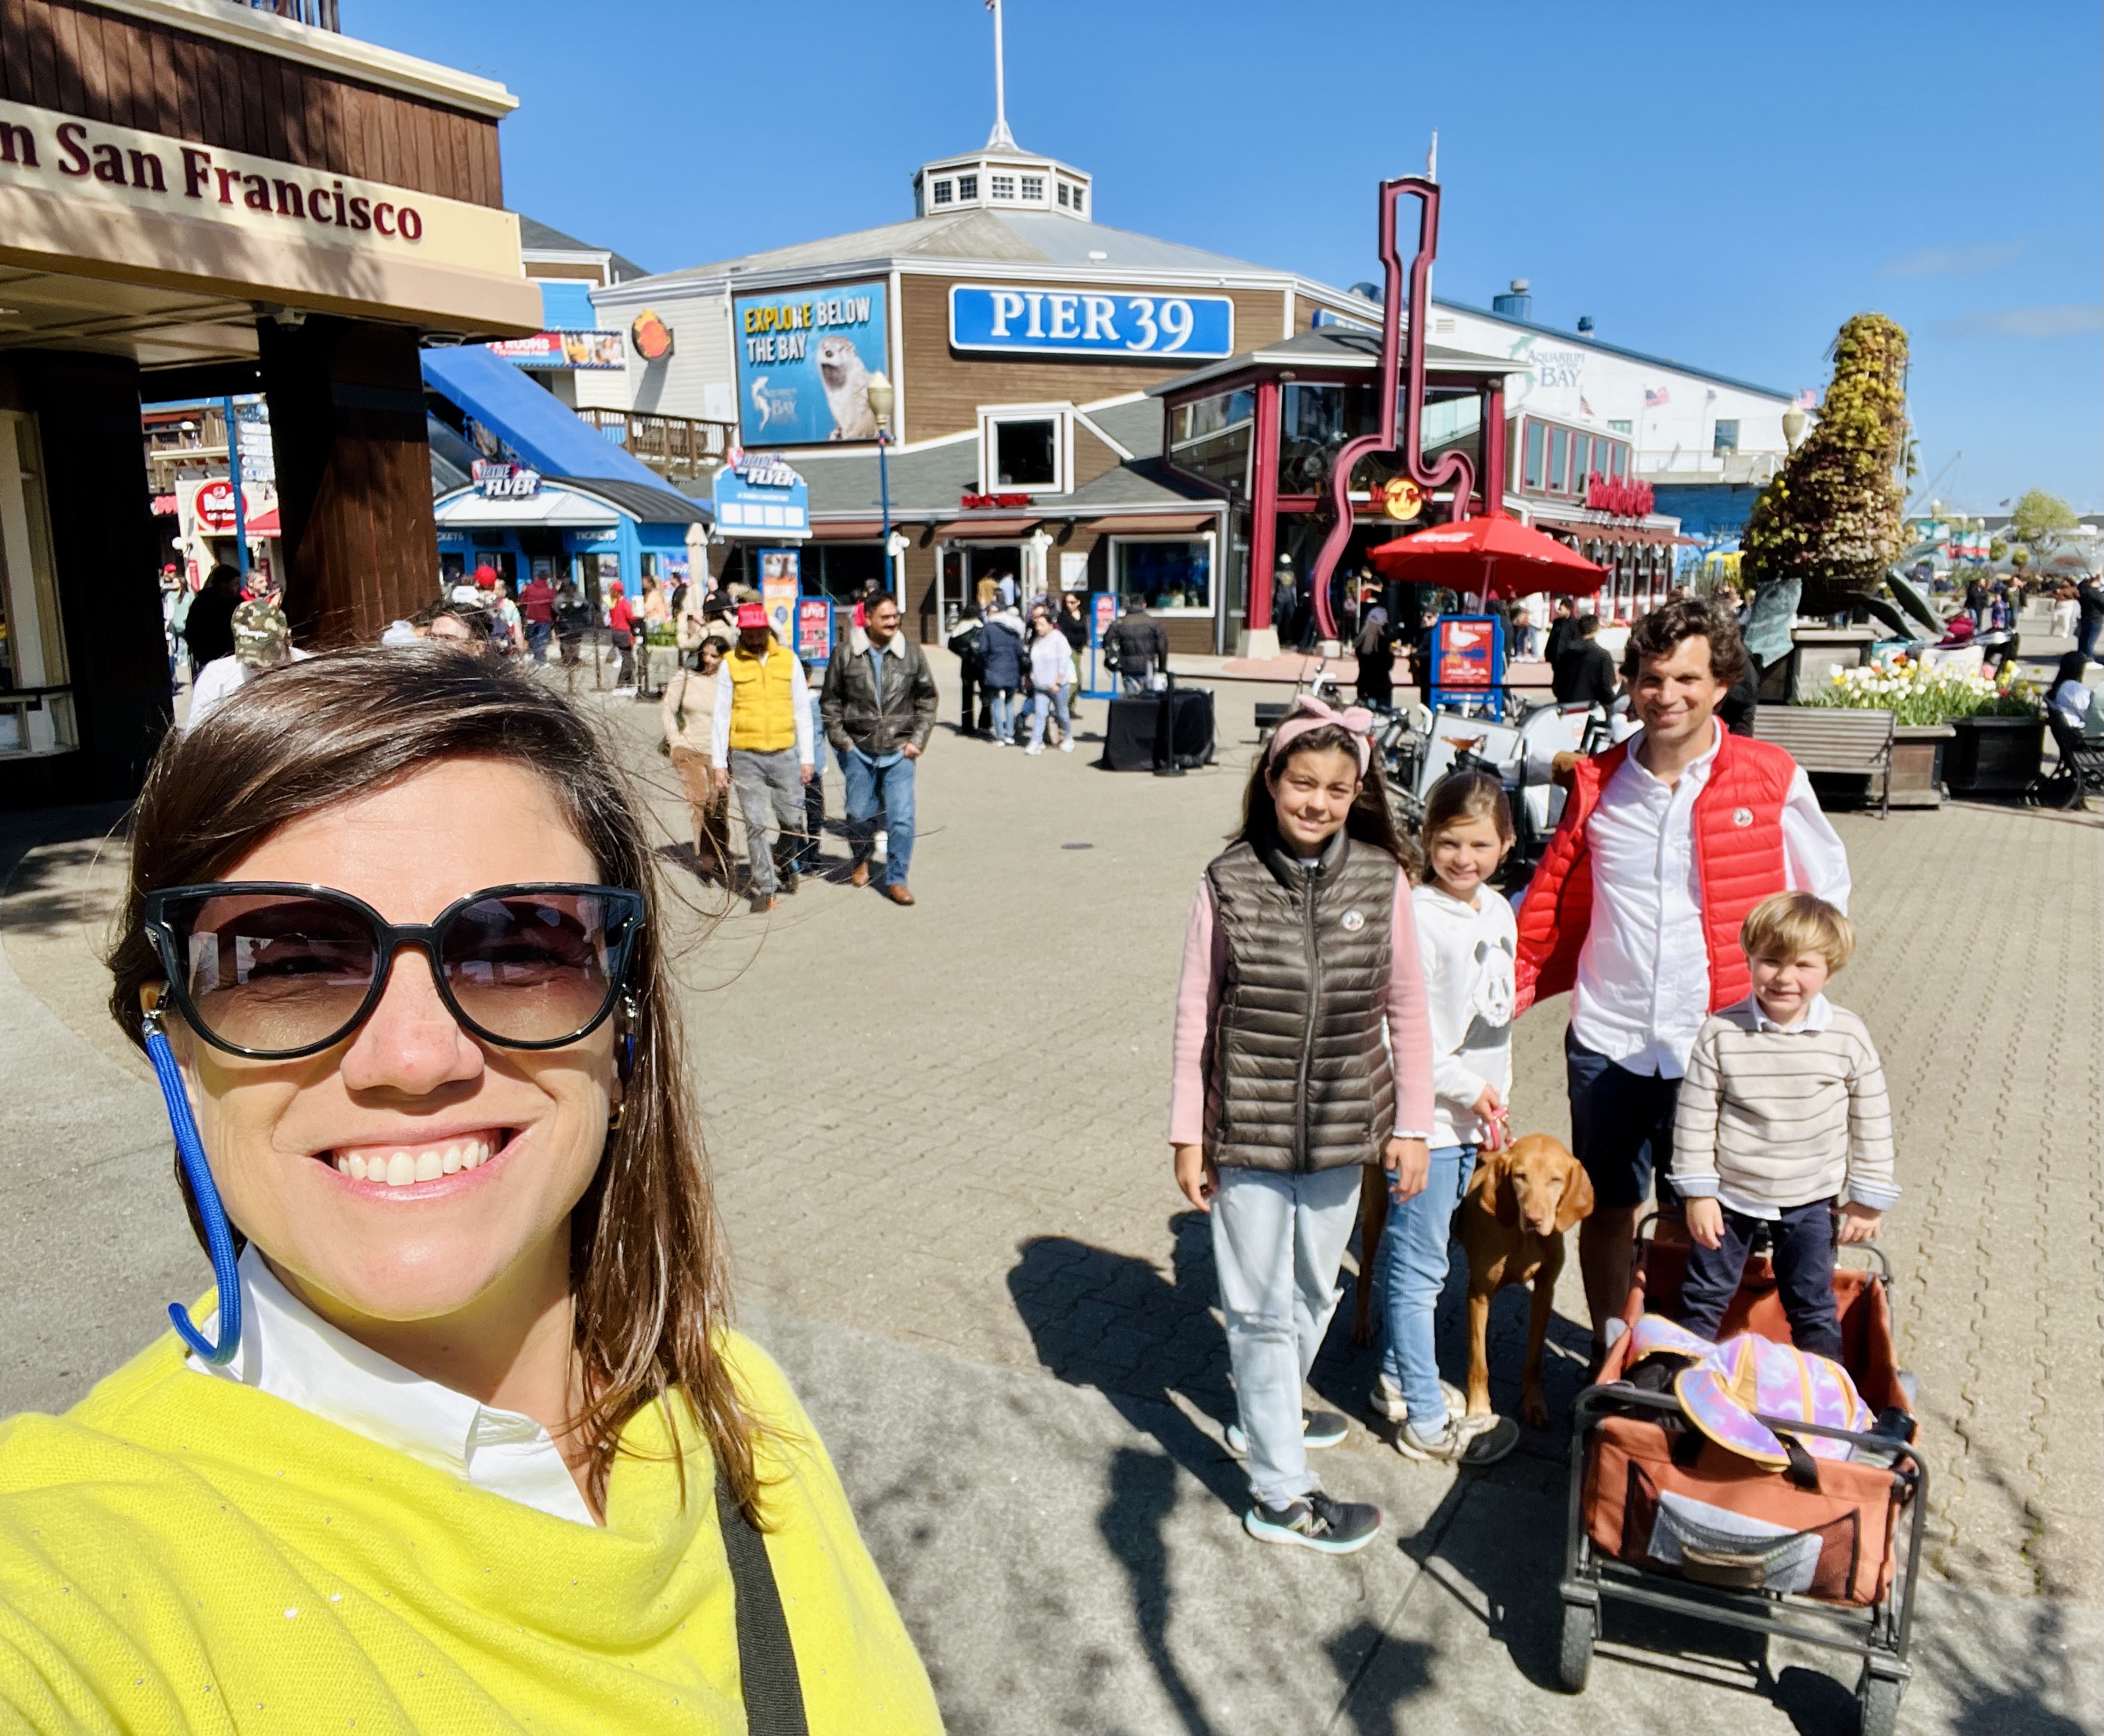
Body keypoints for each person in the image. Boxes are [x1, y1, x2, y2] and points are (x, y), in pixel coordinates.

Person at [3, 649, 941, 1730]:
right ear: (168, 1031)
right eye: (286, 960)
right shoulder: (75, 1564)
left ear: (624, 1026)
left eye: (518, 946)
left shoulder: (732, 1396)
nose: (414, 1055)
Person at [1514, 598, 1851, 1366]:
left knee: (1701, 1211)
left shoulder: (1768, 777)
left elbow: (1824, 894)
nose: (1667, 695)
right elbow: (1550, 892)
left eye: (1687, 678)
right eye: (1651, 678)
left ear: (1722, 683)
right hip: (1611, 1035)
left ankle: (1680, 1353)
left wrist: (1799, 1007)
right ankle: (1612, 1348)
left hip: (1720, 1043)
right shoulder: (1598, 783)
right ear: (1630, 683)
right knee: (1605, 1203)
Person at [1168, 696, 1433, 1555]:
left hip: (1343, 1125)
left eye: (1336, 788)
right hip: (1243, 1127)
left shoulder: (1382, 878)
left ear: (1358, 792)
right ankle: (1282, 1494)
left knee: (1316, 1291)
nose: (1317, 802)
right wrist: (1186, 1132)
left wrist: (1415, 1124)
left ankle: (1263, 1415)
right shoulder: (1227, 879)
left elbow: (1409, 1010)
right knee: (1254, 1309)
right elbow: (1193, 1014)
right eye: (1302, 784)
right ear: (1272, 782)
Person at [1670, 894, 1897, 1358]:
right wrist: (1698, 1193)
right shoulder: (1721, 1033)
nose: (1784, 978)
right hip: (1730, 1196)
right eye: (1770, 961)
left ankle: (1825, 1410)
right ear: (1749, 958)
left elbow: (1871, 1117)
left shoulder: (1846, 1035)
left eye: (1803, 966)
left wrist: (1867, 1200)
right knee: (1702, 1298)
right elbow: (1693, 1119)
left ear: (1829, 970)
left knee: (1812, 1304)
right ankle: (1672, 1402)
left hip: (1810, 1197)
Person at [1374, 769, 1520, 1466]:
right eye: (1449, 843)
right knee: (1419, 1267)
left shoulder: (1496, 910)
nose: (1463, 859)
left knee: (1424, 1255)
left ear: (1505, 845)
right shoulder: (1415, 914)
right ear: (1425, 839)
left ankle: (1396, 1378)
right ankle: (1426, 1422)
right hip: (1423, 1121)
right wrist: (1466, 1088)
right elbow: (1405, 1034)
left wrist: (1495, 1095)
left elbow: (1493, 1021)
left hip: (1470, 1117)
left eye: (1479, 845)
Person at [821, 591, 937, 906]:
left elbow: (928, 699)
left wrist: (918, 740)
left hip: (901, 750)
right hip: (858, 749)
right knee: (859, 814)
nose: (893, 622)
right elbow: (830, 704)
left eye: (895, 616)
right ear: (868, 618)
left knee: (901, 818)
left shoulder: (911, 653)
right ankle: (861, 858)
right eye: (885, 617)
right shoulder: (845, 654)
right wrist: (843, 743)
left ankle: (897, 879)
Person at [711, 603, 813, 914]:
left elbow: (803, 711)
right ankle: (766, 887)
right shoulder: (730, 664)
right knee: (754, 824)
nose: (755, 638)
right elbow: (721, 715)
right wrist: (719, 763)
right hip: (746, 756)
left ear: (768, 630)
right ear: (741, 632)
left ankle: (782, 857)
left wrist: (806, 757)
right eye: (749, 632)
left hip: (785, 753)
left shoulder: (789, 661)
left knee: (793, 822)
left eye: (760, 631)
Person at [660, 629, 732, 880]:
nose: (709, 660)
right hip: (689, 748)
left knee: (719, 806)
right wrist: (675, 741)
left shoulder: (730, 682)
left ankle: (720, 852)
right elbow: (668, 709)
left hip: (721, 752)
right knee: (699, 803)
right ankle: (706, 859)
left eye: (715, 656)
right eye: (706, 655)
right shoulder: (685, 677)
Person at [185, 598, 310, 727]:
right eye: (253, 664)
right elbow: (195, 733)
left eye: (271, 661)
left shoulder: (310, 670)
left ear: (288, 638)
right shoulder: (217, 678)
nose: (263, 672)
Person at [1025, 605, 1076, 755]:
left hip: (1057, 686)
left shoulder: (1058, 639)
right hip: (1040, 685)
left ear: (1050, 624)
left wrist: (1058, 682)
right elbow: (1032, 661)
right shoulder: (1037, 641)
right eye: (1037, 625)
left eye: (1041, 625)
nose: (1039, 628)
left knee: (1062, 714)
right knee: (1040, 714)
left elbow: (1063, 662)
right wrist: (1029, 677)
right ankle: (1036, 742)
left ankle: (1068, 738)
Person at [979, 599, 1026, 745]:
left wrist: (987, 662)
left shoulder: (988, 628)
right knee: (1010, 703)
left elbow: (983, 650)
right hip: (1012, 670)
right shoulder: (1014, 628)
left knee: (997, 703)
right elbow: (1020, 650)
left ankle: (1000, 736)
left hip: (994, 669)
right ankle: (1010, 735)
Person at [183, 565, 242, 680]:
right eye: (235, 584)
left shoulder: (239, 602)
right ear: (223, 584)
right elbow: (193, 634)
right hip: (210, 660)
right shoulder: (203, 603)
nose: (239, 588)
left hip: (235, 658)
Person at [1551, 613, 1618, 708]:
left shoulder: (1566, 653)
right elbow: (1605, 687)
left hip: (1565, 707)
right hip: (1590, 708)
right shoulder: (1602, 655)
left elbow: (1556, 685)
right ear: (1597, 629)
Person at [1104, 598, 1169, 695]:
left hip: (1127, 668)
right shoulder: (1153, 624)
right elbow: (1162, 648)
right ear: (1144, 605)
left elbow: (1106, 642)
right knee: (1149, 700)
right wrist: (1162, 669)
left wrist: (1113, 661)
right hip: (1148, 667)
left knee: (1132, 701)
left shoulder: (1120, 623)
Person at [948, 603, 989, 737]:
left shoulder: (959, 628)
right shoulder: (981, 627)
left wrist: (964, 655)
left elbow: (951, 645)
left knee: (966, 696)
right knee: (986, 694)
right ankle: (985, 723)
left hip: (966, 666)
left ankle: (967, 725)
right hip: (981, 665)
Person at [1354, 605, 1393, 708]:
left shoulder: (1360, 642)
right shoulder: (1383, 642)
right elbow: (1388, 665)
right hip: (1381, 686)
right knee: (1383, 718)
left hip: (1364, 685)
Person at [520, 569, 556, 664]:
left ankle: (534, 656)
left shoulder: (530, 588)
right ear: (546, 579)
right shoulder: (548, 591)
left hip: (531, 618)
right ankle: (540, 660)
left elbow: (523, 601)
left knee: (532, 638)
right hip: (545, 619)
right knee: (542, 640)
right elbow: (553, 605)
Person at [606, 582, 636, 692]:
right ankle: (621, 684)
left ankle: (631, 684)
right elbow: (631, 617)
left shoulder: (612, 603)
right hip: (624, 633)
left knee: (628, 659)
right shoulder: (624, 603)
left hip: (615, 633)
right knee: (628, 661)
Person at [1543, 598, 1579, 669]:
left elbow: (1577, 641)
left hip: (1568, 658)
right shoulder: (1557, 623)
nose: (1558, 611)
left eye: (1561, 609)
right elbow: (1551, 638)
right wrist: (1548, 653)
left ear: (1568, 610)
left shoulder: (1575, 624)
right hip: (1556, 658)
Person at [2077, 575, 2104, 662]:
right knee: (2090, 639)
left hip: (2086, 617)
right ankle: (2088, 658)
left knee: (2084, 638)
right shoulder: (2092, 592)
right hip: (2095, 618)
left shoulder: (2083, 592)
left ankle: (2082, 656)